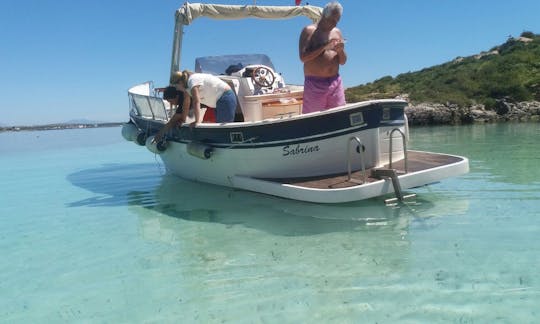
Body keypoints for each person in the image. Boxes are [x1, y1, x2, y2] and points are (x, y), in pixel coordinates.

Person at [299, 1, 347, 113]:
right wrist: (324, 46)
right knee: (313, 119)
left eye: (337, 20)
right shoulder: (309, 31)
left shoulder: (337, 32)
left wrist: (340, 51)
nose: (335, 23)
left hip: (335, 82)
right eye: (332, 20)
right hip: (315, 84)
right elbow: (303, 57)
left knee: (339, 116)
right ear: (324, 15)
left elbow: (343, 61)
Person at [170, 70, 237, 126]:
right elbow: (187, 104)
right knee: (219, 126)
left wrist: (197, 121)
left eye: (176, 86)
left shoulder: (192, 81)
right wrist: (183, 120)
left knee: (223, 128)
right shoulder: (187, 88)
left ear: (180, 82)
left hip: (225, 97)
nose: (177, 89)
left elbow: (196, 101)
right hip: (218, 102)